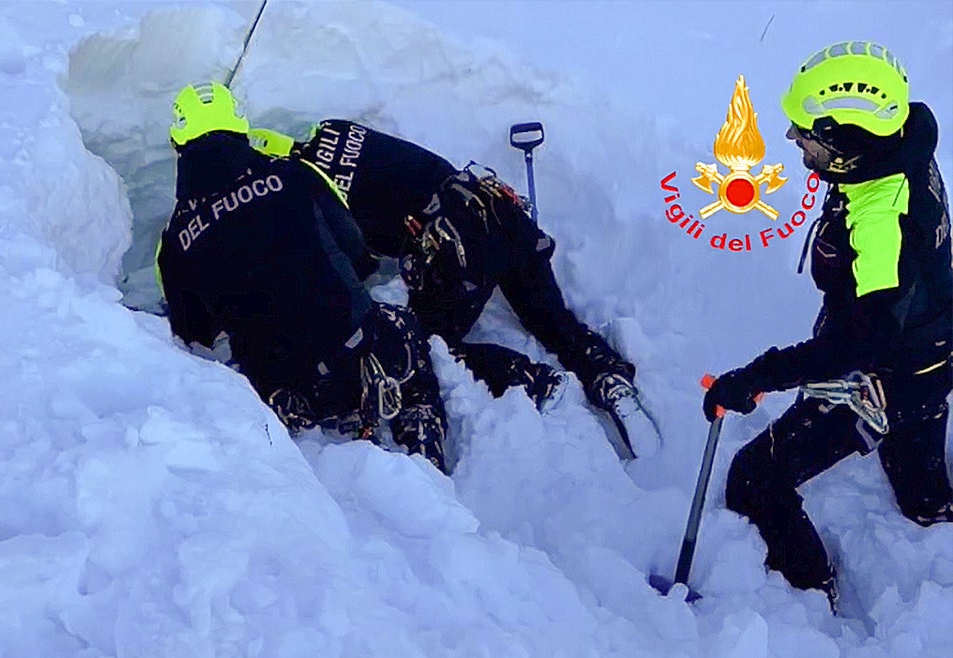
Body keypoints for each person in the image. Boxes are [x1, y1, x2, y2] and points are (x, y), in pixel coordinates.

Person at [704, 42, 953, 606]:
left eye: (806, 132)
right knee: (922, 496)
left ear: (847, 143)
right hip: (930, 349)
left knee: (755, 479)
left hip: (886, 373)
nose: (793, 138)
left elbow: (859, 343)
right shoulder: (901, 143)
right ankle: (925, 477)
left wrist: (758, 376)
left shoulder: (882, 220)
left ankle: (810, 599)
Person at [249, 120, 645, 437]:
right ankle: (606, 375)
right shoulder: (336, 129)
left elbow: (357, 263)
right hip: (497, 209)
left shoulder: (313, 190)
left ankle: (530, 378)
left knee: (422, 347)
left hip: (458, 250)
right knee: (553, 320)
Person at [157, 82, 450, 473]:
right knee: (403, 328)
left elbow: (193, 333)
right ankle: (423, 449)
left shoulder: (175, 241)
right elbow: (355, 250)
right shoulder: (295, 174)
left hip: (279, 387)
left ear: (178, 142)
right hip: (355, 346)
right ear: (239, 126)